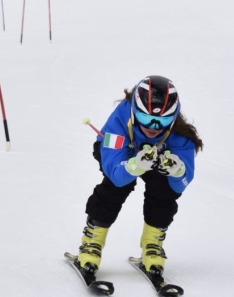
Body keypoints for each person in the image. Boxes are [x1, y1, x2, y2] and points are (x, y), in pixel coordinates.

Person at [75, 75, 202, 277]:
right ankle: (92, 241)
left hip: (154, 157)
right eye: (145, 118)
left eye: (162, 121)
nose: (152, 127)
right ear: (134, 111)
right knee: (115, 188)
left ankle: (152, 244)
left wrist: (177, 172)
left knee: (164, 190)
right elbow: (115, 173)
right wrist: (134, 166)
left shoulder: (179, 134)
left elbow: (182, 184)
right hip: (119, 156)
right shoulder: (119, 121)